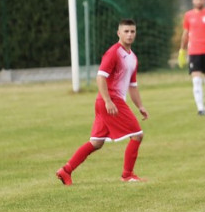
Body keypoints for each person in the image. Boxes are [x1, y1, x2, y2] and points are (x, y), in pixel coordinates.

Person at [57, 19, 149, 184]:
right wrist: (108, 100)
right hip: (111, 101)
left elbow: (132, 86)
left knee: (96, 143)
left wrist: (140, 106)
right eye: (126, 31)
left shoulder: (133, 58)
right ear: (118, 33)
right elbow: (100, 77)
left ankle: (66, 170)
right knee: (137, 135)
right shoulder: (113, 52)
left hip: (107, 102)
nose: (129, 35)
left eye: (132, 31)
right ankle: (127, 175)